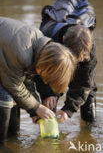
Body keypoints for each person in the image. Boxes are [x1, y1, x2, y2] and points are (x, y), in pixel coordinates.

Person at [0, 16, 76, 146]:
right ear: (46, 65)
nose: (43, 78)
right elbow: (13, 85)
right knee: (5, 96)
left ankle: (12, 139)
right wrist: (37, 107)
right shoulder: (22, 53)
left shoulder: (39, 45)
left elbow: (26, 81)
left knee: (11, 96)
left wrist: (34, 111)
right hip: (8, 50)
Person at [34, 0, 97, 124]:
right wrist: (48, 94)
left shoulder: (89, 50)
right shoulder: (47, 37)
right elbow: (39, 72)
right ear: (63, 39)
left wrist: (68, 109)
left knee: (88, 93)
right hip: (55, 37)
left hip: (82, 14)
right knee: (50, 100)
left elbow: (84, 83)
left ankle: (89, 129)